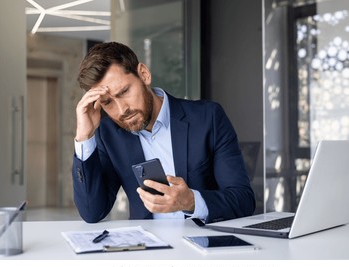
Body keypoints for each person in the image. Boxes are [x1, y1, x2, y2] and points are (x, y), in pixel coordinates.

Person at [72, 41, 255, 223]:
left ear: (144, 75)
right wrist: (84, 137)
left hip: (203, 245)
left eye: (124, 91)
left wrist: (191, 201)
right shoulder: (109, 134)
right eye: (107, 102)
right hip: (147, 248)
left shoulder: (208, 118)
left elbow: (243, 200)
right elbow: (92, 211)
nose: (122, 110)